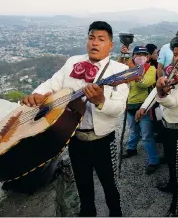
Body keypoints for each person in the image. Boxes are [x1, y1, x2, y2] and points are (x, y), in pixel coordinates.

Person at [22, 21, 128, 217]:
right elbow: (52, 84)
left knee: (110, 184)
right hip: (74, 138)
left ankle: (116, 213)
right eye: (91, 38)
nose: (94, 43)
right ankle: (88, 212)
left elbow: (119, 108)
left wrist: (100, 100)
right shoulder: (72, 62)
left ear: (110, 45)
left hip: (104, 140)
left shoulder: (118, 71)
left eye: (101, 39)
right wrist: (37, 94)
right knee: (82, 183)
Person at [141, 37, 178, 216]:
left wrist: (161, 91)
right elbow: (157, 88)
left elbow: (172, 101)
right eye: (175, 54)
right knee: (170, 161)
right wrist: (145, 106)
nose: (177, 59)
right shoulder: (172, 71)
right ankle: (170, 185)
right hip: (167, 125)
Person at [120, 46, 159, 175]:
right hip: (130, 104)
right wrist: (123, 55)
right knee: (133, 130)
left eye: (143, 55)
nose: (140, 57)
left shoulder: (151, 69)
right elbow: (117, 69)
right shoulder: (129, 66)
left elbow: (144, 83)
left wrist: (133, 69)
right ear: (133, 56)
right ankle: (131, 148)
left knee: (147, 135)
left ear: (147, 57)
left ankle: (153, 160)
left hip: (143, 106)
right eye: (137, 54)